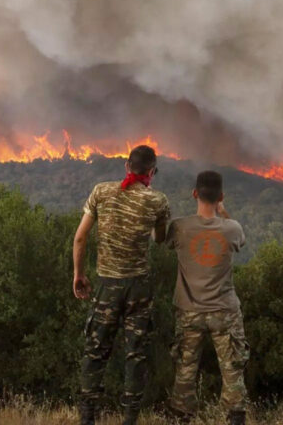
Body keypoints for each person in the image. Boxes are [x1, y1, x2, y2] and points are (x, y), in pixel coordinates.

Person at [72, 145, 170, 425]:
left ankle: (87, 418)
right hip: (139, 288)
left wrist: (78, 274)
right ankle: (129, 420)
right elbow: (160, 239)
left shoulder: (101, 191)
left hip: (107, 286)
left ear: (127, 167)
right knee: (135, 354)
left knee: (95, 351)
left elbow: (80, 239)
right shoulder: (158, 200)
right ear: (151, 171)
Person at [166, 170, 250, 425]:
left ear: (194, 193)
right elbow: (241, 241)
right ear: (221, 196)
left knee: (185, 370)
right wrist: (223, 211)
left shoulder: (179, 227)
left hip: (189, 311)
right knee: (232, 370)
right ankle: (235, 418)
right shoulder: (232, 228)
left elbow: (163, 240)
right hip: (224, 312)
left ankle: (182, 418)